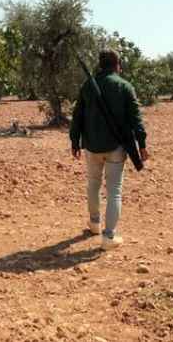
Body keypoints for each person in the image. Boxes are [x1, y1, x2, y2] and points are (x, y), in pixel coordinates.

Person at [69, 49, 149, 250]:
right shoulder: (125, 86)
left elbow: (77, 115)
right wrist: (142, 145)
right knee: (114, 191)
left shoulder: (88, 85)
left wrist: (74, 141)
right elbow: (136, 119)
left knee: (93, 184)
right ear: (117, 65)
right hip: (116, 147)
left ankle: (94, 224)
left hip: (92, 146)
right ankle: (109, 237)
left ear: (100, 64)